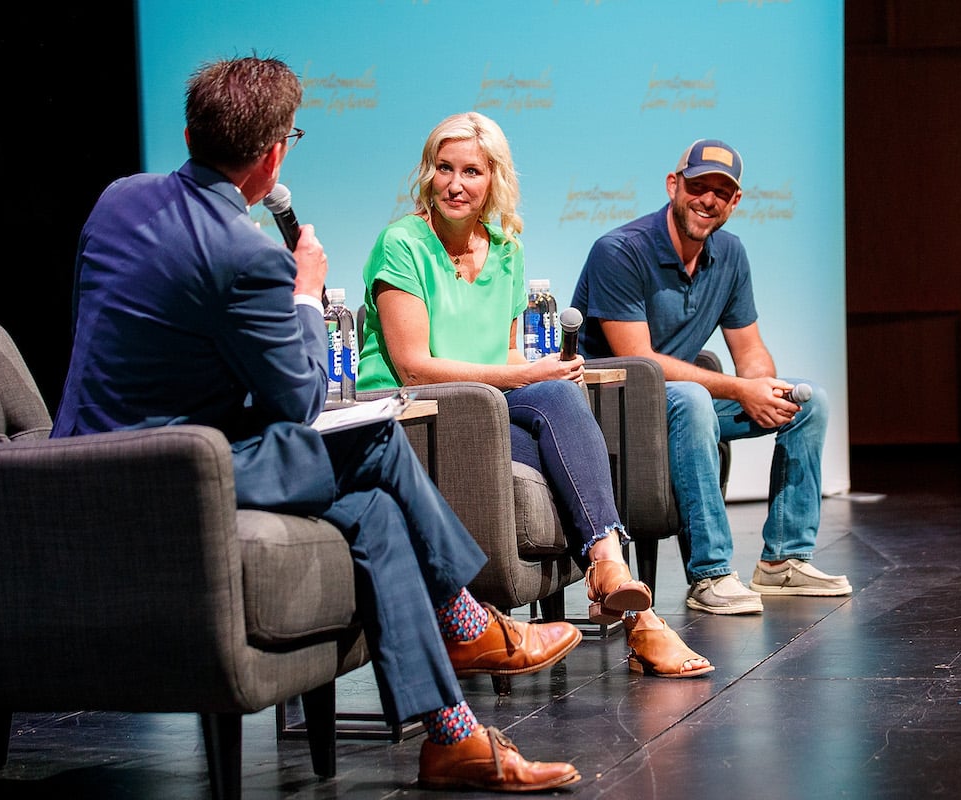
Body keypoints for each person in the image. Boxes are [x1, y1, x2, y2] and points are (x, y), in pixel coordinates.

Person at [51, 56, 583, 793]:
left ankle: (452, 734)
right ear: (273, 158)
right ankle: (467, 617)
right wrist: (304, 292)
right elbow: (300, 398)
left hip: (81, 456)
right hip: (172, 471)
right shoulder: (247, 256)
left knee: (371, 512)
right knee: (372, 435)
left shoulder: (118, 198)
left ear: (189, 133)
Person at [356, 111, 714, 679]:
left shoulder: (505, 249)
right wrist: (529, 377)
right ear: (427, 175)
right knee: (549, 400)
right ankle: (629, 603)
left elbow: (504, 353)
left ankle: (619, 585)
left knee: (561, 405)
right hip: (421, 415)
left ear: (492, 179)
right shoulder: (402, 243)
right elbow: (414, 366)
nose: (455, 183)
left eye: (471, 171)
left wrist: (546, 368)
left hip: (484, 406)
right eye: (443, 169)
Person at [571, 138, 852, 616]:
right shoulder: (619, 251)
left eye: (721, 192)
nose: (708, 200)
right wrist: (740, 389)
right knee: (693, 399)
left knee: (810, 402)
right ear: (673, 185)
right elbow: (640, 363)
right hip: (613, 410)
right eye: (698, 186)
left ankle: (783, 561)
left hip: (680, 404)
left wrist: (764, 386)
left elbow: (750, 350)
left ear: (735, 202)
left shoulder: (730, 254)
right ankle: (711, 574)